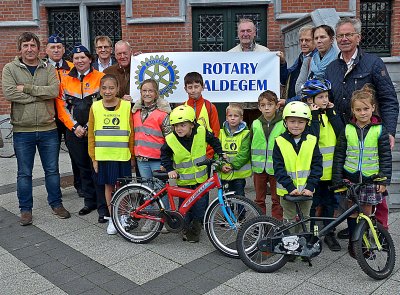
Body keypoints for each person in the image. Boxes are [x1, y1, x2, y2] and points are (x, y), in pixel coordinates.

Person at [326, 17, 399, 238]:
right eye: (341, 36)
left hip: (371, 133)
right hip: (346, 134)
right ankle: (356, 229)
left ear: (358, 37)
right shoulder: (331, 68)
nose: (345, 39)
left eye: (349, 35)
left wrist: (389, 131)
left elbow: (388, 99)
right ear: (336, 39)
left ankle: (380, 231)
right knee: (351, 181)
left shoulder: (373, 63)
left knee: (375, 184)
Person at [2, 32, 70, 225]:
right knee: (24, 172)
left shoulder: (47, 67)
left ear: (38, 49)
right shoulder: (10, 68)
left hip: (48, 129)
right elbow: (10, 93)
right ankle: (25, 210)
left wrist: (28, 89)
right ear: (20, 49)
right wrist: (39, 96)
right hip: (23, 130)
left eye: (33, 45)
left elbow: (53, 91)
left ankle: (56, 204)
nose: (29, 49)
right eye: (26, 46)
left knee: (52, 170)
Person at [332, 84, 392, 258]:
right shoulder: (347, 129)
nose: (363, 113)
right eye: (358, 109)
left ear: (373, 108)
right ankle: (353, 243)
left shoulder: (380, 130)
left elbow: (385, 157)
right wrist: (337, 179)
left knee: (366, 213)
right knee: (352, 212)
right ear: (353, 111)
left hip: (370, 179)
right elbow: (339, 155)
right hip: (350, 179)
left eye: (366, 109)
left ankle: (364, 243)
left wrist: (383, 180)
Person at [56, 44, 108, 222]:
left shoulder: (101, 78)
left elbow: (103, 105)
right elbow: (61, 107)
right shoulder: (66, 80)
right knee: (83, 167)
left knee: (97, 167)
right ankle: (89, 201)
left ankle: (103, 205)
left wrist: (88, 126)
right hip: (74, 132)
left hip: (95, 131)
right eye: (76, 58)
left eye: (83, 57)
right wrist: (75, 126)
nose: (79, 61)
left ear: (90, 59)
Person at [160, 105, 224, 243]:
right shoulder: (171, 139)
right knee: (184, 208)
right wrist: (169, 169)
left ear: (192, 124)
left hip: (201, 180)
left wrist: (220, 153)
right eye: (176, 126)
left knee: (200, 208)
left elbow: (214, 140)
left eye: (182, 125)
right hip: (184, 181)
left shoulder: (201, 131)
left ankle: (195, 230)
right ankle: (184, 227)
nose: (179, 129)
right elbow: (164, 155)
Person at [88, 74, 134, 234]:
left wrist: (132, 155)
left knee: (124, 187)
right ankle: (113, 217)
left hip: (122, 155)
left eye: (111, 88)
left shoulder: (127, 106)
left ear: (118, 89)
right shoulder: (95, 107)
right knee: (108, 187)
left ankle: (123, 215)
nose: (108, 91)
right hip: (104, 156)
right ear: (100, 89)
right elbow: (91, 135)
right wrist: (94, 158)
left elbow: (132, 133)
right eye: (104, 88)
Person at [301, 78, 344, 251]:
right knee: (313, 205)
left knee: (330, 204)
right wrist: (316, 116)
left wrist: (332, 113)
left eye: (326, 96)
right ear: (310, 100)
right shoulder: (309, 118)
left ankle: (330, 233)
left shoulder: (332, 114)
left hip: (331, 172)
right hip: (315, 173)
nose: (325, 100)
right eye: (321, 97)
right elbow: (313, 137)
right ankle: (314, 234)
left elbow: (342, 133)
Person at [273, 101, 322, 231]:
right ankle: (290, 244)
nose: (296, 125)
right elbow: (278, 168)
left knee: (304, 219)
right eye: (292, 121)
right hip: (287, 190)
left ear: (307, 123)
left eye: (301, 122)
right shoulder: (279, 141)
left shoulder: (312, 140)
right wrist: (289, 186)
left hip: (306, 190)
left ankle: (303, 245)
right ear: (286, 122)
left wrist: (311, 186)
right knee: (289, 219)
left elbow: (317, 166)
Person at [45, 34, 83, 198]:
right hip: (50, 117)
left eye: (59, 47)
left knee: (75, 152)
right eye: (52, 47)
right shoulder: (43, 67)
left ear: (64, 49)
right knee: (51, 156)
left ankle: (80, 185)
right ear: (46, 50)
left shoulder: (71, 66)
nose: (56, 49)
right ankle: (54, 190)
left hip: (69, 116)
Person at [249, 91, 285, 219]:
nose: (266, 108)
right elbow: (247, 145)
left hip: (277, 168)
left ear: (277, 106)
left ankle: (277, 225)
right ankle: (260, 224)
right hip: (259, 169)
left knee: (277, 199)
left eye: (270, 104)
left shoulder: (283, 123)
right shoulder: (255, 124)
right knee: (259, 199)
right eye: (263, 105)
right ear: (259, 107)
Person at [219, 104, 252, 218]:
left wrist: (232, 165)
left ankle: (241, 216)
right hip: (224, 173)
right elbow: (217, 152)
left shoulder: (246, 134)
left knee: (239, 195)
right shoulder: (221, 133)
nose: (233, 118)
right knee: (226, 196)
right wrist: (222, 165)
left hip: (239, 174)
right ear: (226, 117)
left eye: (236, 116)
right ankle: (228, 217)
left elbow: (244, 153)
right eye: (230, 115)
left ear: (241, 118)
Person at [295, 25, 338, 94]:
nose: (319, 41)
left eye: (322, 37)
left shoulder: (339, 59)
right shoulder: (309, 60)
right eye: (316, 38)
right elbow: (298, 88)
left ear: (332, 39)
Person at [281, 25, 317, 101]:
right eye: (301, 40)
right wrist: (282, 63)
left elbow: (310, 91)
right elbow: (286, 80)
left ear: (315, 40)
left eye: (307, 40)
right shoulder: (301, 58)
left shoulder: (316, 60)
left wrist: (288, 102)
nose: (303, 43)